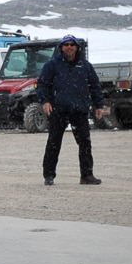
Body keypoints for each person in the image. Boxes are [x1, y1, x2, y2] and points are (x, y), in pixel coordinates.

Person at [36, 34, 104, 186]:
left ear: (76, 48)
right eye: (66, 45)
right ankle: (49, 175)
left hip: (79, 111)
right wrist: (45, 101)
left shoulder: (85, 66)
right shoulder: (52, 65)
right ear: (61, 48)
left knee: (85, 143)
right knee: (54, 142)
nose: (69, 47)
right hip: (58, 110)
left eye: (72, 45)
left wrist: (99, 105)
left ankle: (87, 175)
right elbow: (42, 84)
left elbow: (95, 86)